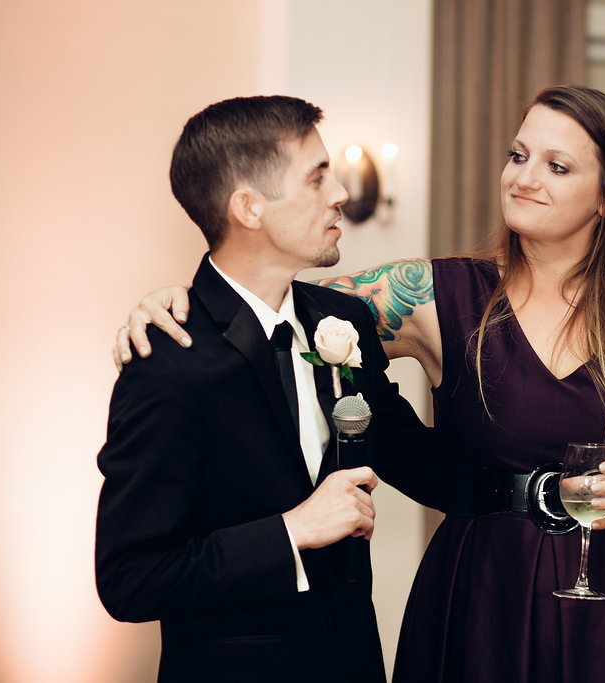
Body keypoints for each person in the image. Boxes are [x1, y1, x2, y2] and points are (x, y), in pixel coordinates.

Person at [118, 85, 605, 682]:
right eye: (518, 155)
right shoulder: (430, 296)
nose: (524, 177)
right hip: (485, 602)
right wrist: (175, 302)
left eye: (558, 167)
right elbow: (264, 305)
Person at [96, 95, 435, 683]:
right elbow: (131, 578)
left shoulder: (344, 323)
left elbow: (425, 463)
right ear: (249, 207)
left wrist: (550, 484)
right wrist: (290, 531)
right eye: (317, 177)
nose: (339, 194)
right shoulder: (167, 360)